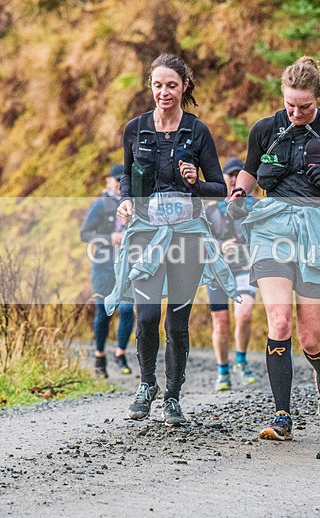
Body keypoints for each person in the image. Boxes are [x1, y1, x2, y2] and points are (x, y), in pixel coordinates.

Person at [228, 56, 320, 441]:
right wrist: (240, 190)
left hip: (318, 231)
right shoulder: (264, 129)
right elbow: (250, 171)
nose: (296, 113)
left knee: (309, 337)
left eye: (304, 106)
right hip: (271, 227)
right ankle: (282, 415)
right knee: (279, 322)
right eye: (290, 105)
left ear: (319, 98)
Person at [106, 53, 234, 427]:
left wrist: (196, 182)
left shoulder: (198, 131)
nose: (165, 92)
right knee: (146, 317)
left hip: (188, 236)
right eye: (158, 85)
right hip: (145, 233)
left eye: (172, 85)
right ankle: (147, 385)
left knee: (176, 322)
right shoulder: (136, 129)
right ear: (150, 86)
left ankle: (173, 396)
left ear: (184, 87)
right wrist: (127, 202)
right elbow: (127, 175)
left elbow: (219, 188)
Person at [204, 156, 259, 391]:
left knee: (245, 314)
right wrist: (219, 247)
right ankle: (222, 370)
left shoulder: (253, 205)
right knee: (221, 323)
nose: (235, 179)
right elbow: (199, 243)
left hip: (245, 268)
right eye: (231, 175)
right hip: (218, 272)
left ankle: (241, 360)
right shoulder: (210, 210)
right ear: (224, 179)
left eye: (239, 174)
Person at [80, 164, 135, 378]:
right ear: (108, 181)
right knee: (103, 312)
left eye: (124, 180)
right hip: (103, 264)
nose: (121, 184)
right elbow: (84, 234)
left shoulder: (133, 203)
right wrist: (108, 239)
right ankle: (100, 356)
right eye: (117, 180)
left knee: (127, 308)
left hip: (128, 263)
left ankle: (121, 354)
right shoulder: (101, 205)